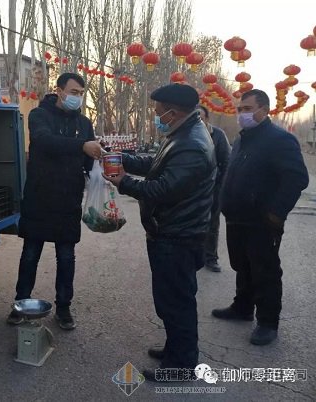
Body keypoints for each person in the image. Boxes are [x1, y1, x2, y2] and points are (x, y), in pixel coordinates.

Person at [104, 84, 216, 382]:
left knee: (177, 302)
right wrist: (121, 157)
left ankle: (181, 366)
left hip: (178, 236)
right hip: (172, 232)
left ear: (173, 112)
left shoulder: (191, 145)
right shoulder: (183, 134)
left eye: (158, 113)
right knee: (171, 300)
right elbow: (156, 166)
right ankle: (175, 349)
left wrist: (123, 182)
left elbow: (162, 189)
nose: (156, 118)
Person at [212, 89, 309, 346]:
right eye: (240, 109)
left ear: (264, 110)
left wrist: (276, 213)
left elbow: (297, 178)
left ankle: (267, 322)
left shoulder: (279, 140)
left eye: (247, 109)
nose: (242, 114)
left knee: (264, 270)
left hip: (262, 220)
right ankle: (242, 307)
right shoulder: (242, 139)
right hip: (237, 216)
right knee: (242, 265)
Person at [7, 72, 102, 330]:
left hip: (68, 199)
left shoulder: (84, 123)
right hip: (39, 197)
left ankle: (63, 308)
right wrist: (82, 146)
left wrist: (99, 162)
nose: (77, 97)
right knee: (30, 254)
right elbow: (44, 141)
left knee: (66, 256)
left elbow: (87, 160)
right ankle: (20, 303)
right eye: (73, 92)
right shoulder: (39, 116)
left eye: (81, 93)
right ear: (59, 91)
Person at [197, 105, 231, 272]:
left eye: (200, 118)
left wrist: (221, 187)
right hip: (191, 189)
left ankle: (211, 257)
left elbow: (227, 163)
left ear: (207, 119)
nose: (197, 121)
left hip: (213, 189)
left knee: (212, 223)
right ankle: (195, 256)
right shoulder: (186, 134)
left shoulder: (218, 135)